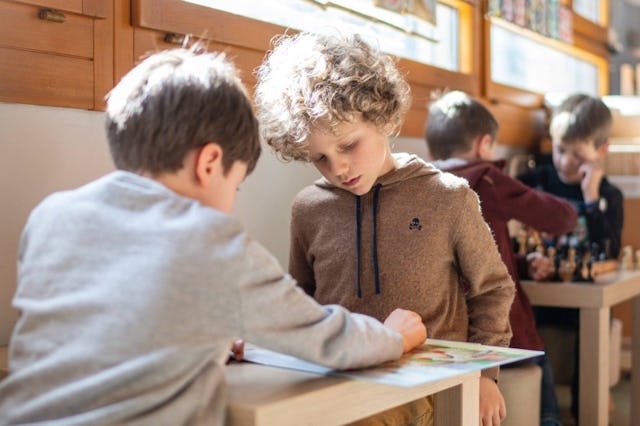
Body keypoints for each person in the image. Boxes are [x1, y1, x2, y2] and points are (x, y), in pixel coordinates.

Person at [0, 47, 428, 425]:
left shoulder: (52, 215)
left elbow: (114, 323)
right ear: (209, 164)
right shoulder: (210, 241)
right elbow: (326, 338)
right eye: (235, 186)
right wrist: (394, 336)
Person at [255, 32, 516, 426]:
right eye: (320, 158)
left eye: (347, 146)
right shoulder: (309, 209)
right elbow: (302, 300)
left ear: (382, 117)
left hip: (433, 388)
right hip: (342, 382)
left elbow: (492, 289)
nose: (337, 168)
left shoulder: (449, 197)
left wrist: (484, 376)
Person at [425, 90, 578, 426]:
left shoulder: (423, 186)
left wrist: (522, 263)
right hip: (505, 339)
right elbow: (562, 218)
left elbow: (466, 259)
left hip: (444, 337)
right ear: (484, 144)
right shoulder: (487, 179)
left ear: (432, 150)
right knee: (537, 351)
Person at [518, 93, 624, 422]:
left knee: (590, 327)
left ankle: (586, 409)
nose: (565, 162)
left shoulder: (609, 195)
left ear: (601, 150)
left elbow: (609, 251)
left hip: (582, 297)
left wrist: (591, 199)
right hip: (542, 290)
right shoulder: (536, 182)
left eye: (578, 155)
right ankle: (545, 410)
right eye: (560, 150)